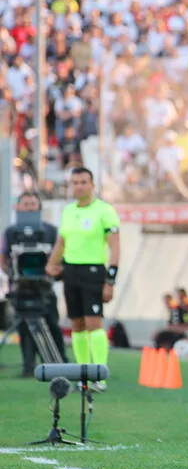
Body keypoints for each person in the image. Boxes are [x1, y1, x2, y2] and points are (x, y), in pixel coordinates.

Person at [45, 167, 120, 392]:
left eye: (83, 182)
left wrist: (111, 279)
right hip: (71, 272)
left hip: (94, 272)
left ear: (92, 185)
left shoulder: (104, 211)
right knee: (76, 324)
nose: (79, 186)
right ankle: (83, 375)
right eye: (75, 182)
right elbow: (62, 242)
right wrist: (51, 262)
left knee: (93, 322)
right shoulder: (68, 211)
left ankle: (99, 375)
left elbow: (115, 247)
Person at [0, 191, 67, 376]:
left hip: (44, 290)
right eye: (25, 204)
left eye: (33, 204)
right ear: (18, 207)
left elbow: (58, 256)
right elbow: (4, 256)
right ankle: (28, 366)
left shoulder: (50, 231)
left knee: (52, 325)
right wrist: (11, 273)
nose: (29, 207)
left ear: (39, 207)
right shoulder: (11, 232)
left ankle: (60, 363)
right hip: (20, 289)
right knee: (24, 329)